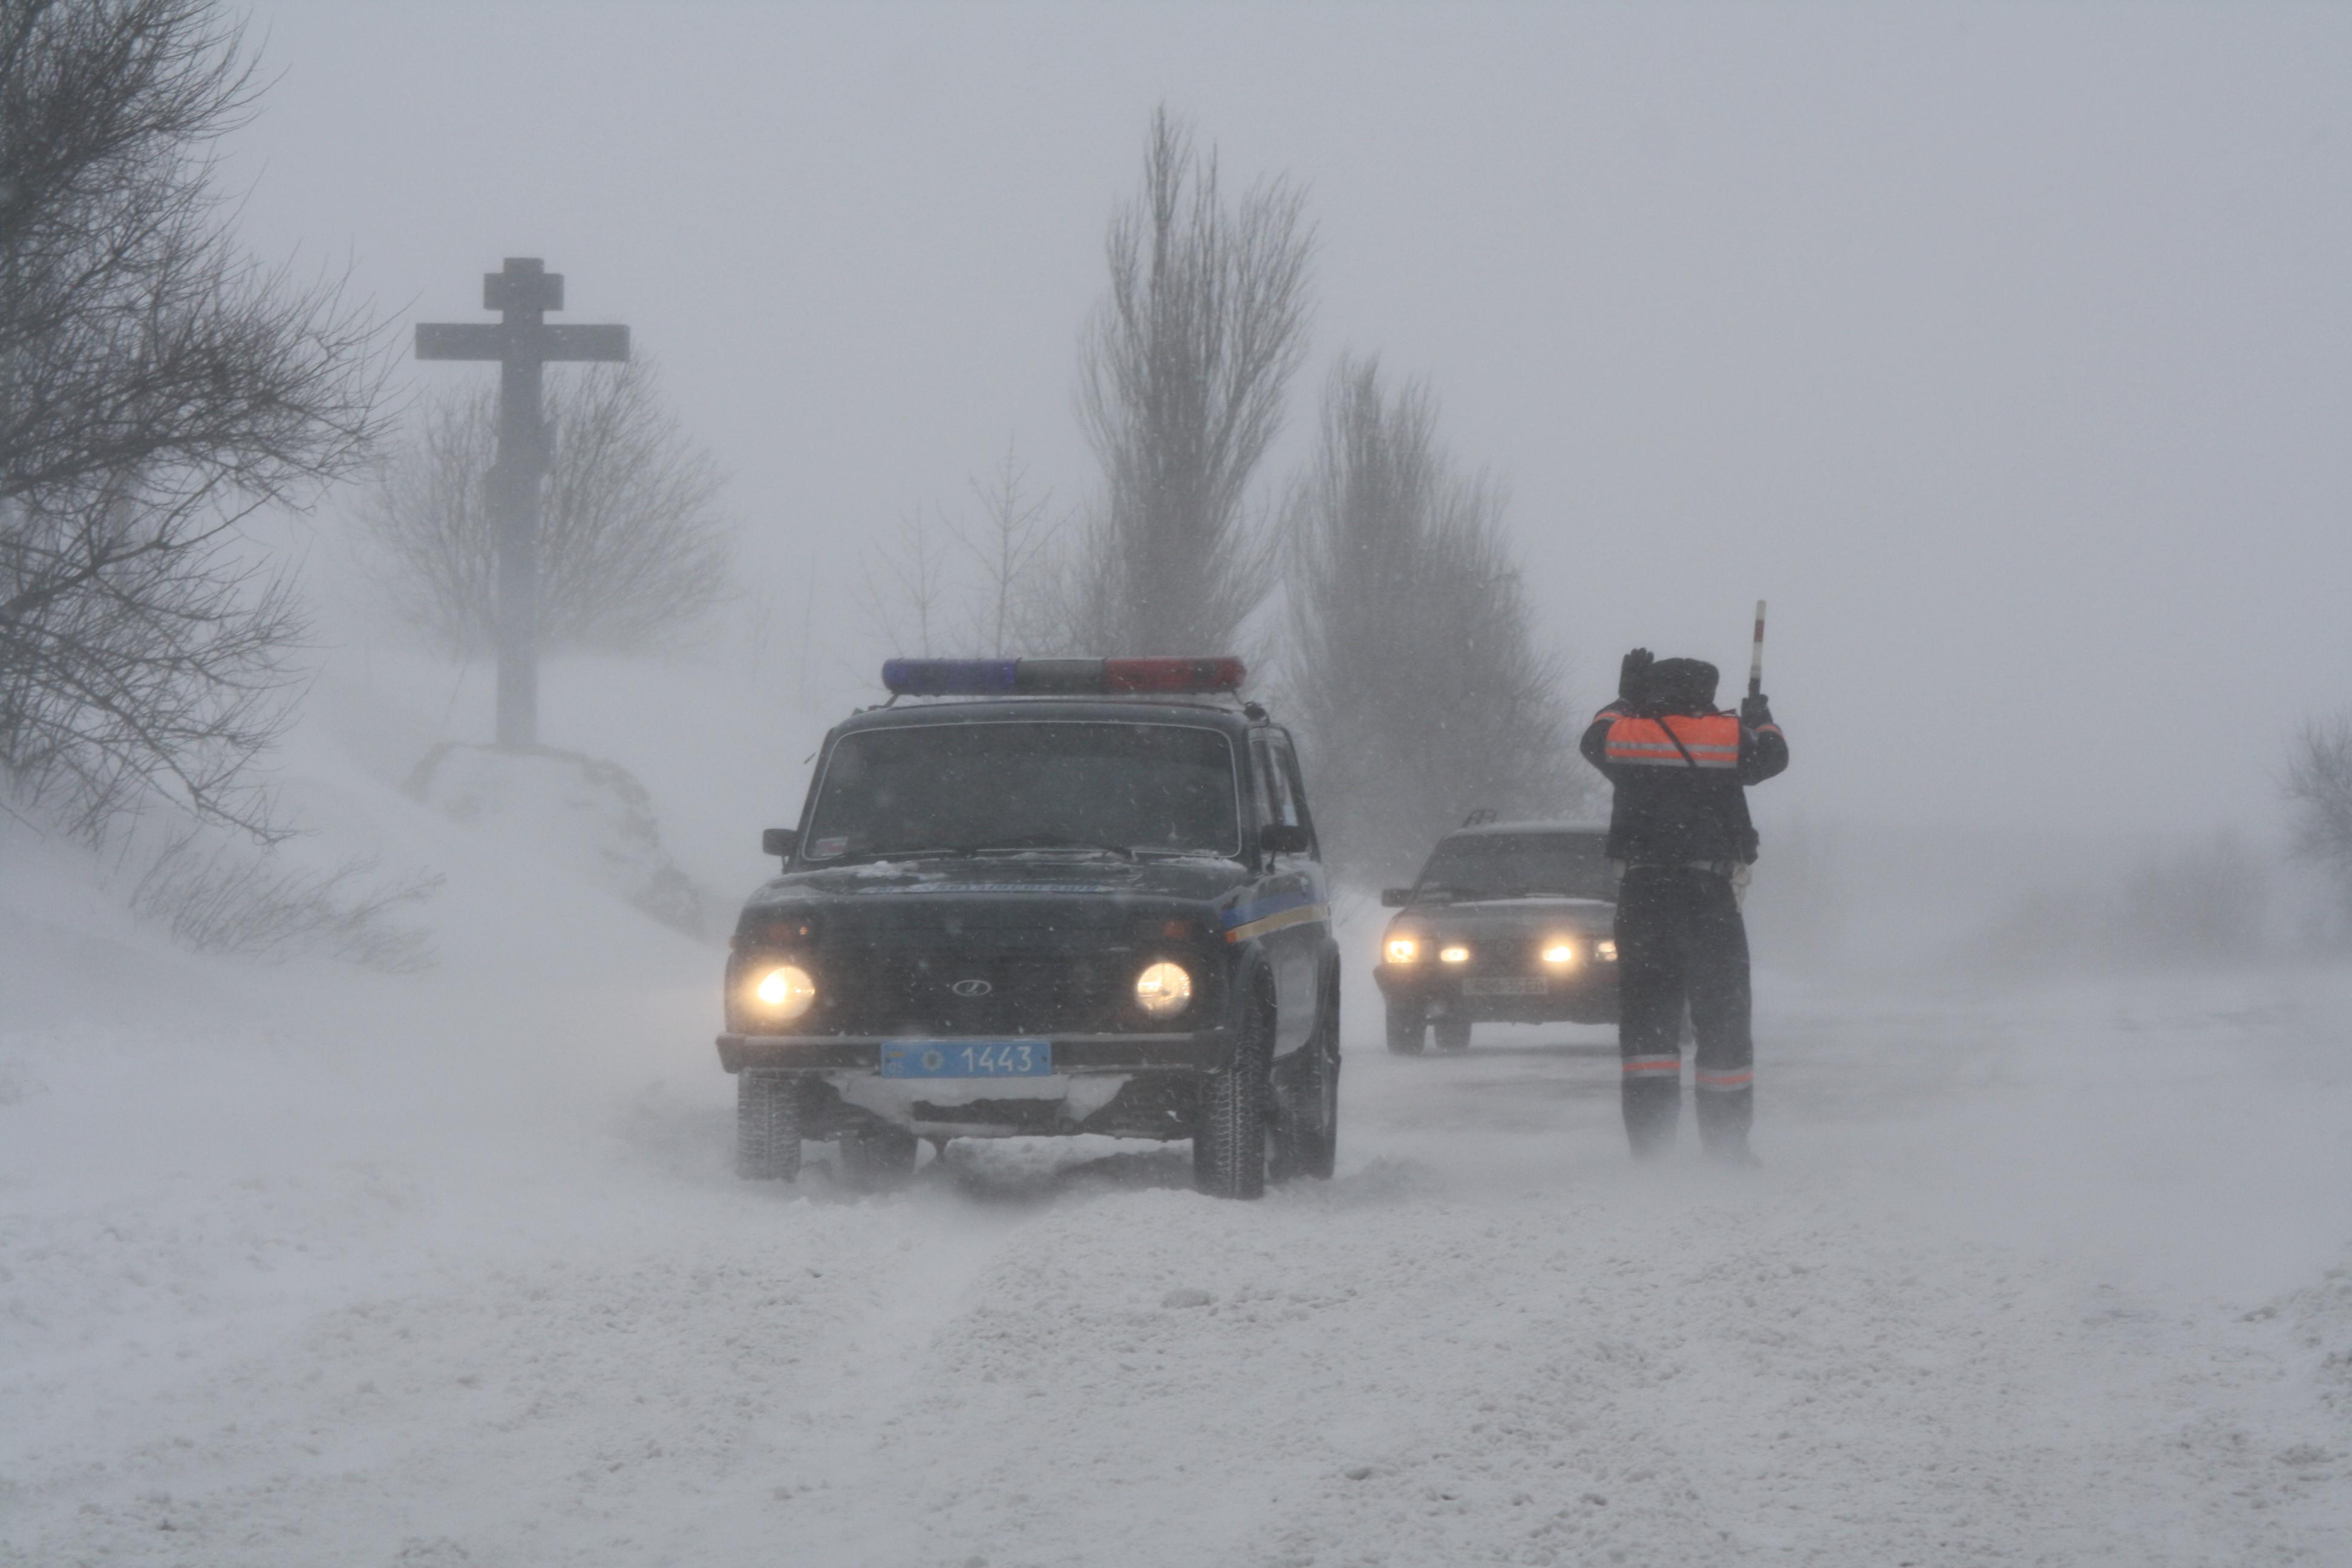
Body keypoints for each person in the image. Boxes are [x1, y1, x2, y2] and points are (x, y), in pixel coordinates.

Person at [1579, 648, 1788, 1163]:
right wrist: (1761, 718)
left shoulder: (1629, 735)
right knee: (1723, 1022)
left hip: (1645, 897)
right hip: (1709, 895)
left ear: (1655, 689)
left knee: (1648, 1026)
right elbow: (1772, 758)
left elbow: (1593, 740)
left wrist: (1625, 697)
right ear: (1708, 692)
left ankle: (1652, 1151)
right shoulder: (1726, 735)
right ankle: (1726, 1147)